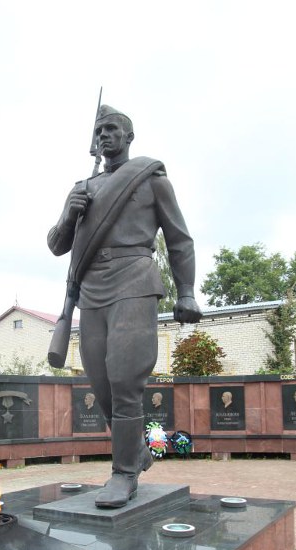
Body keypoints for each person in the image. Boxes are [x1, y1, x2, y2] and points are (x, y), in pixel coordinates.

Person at [47, 104, 201, 508]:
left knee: (124, 377)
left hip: (134, 279)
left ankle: (124, 472)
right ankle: (135, 451)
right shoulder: (83, 187)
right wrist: (69, 214)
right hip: (91, 289)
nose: (104, 135)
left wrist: (186, 291)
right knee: (100, 384)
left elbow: (180, 239)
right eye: (99, 131)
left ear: (128, 136)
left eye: (112, 129)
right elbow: (57, 245)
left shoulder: (151, 179)